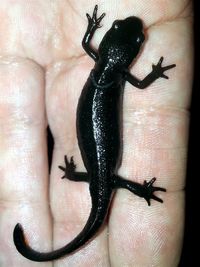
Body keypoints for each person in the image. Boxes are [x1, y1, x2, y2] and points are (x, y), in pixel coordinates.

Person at [0, 1, 193, 266]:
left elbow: (85, 44)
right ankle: (98, 182)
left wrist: (91, 27)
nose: (134, 32)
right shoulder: (122, 73)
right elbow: (140, 81)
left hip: (97, 171)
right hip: (93, 173)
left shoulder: (105, 63)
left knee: (109, 181)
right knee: (107, 180)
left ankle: (133, 190)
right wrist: (155, 73)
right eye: (139, 39)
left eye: (138, 38)